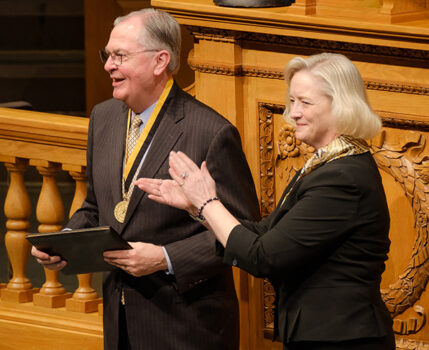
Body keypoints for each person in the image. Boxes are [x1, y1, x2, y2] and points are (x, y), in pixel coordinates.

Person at [31, 8, 260, 350]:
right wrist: (65, 240)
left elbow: (243, 231)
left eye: (120, 56)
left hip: (184, 326)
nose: (109, 66)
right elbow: (96, 206)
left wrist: (165, 257)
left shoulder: (211, 132)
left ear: (159, 61)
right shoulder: (104, 117)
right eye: (107, 56)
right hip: (119, 321)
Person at [135, 52, 395, 350]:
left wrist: (208, 202)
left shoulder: (342, 178)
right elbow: (263, 233)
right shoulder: (328, 164)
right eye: (292, 101)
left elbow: (262, 256)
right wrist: (197, 207)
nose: (292, 113)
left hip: (344, 341)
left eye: (305, 103)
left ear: (342, 106)